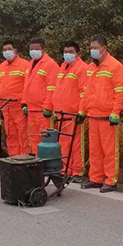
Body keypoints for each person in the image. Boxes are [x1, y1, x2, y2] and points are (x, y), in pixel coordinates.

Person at [80, 35, 123, 192]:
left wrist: (116, 112)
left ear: (104, 48)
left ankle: (111, 180)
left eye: (95, 48)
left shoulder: (115, 66)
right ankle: (95, 178)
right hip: (93, 115)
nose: (92, 51)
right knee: (95, 150)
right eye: (91, 48)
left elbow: (120, 91)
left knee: (110, 151)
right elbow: (86, 92)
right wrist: (82, 110)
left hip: (108, 117)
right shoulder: (90, 68)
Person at [44, 40, 89, 181]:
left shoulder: (82, 68)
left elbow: (84, 92)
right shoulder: (62, 67)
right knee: (64, 143)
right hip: (61, 114)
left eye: (71, 52)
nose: (67, 54)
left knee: (76, 144)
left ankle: (77, 172)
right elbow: (57, 90)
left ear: (77, 53)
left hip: (74, 114)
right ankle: (65, 170)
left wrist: (81, 111)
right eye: (65, 52)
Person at [22, 37, 59, 154]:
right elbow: (26, 86)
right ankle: (36, 161)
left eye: (36, 49)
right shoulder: (30, 64)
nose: (34, 51)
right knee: (33, 139)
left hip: (43, 112)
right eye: (31, 49)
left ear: (43, 49)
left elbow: (52, 88)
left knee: (46, 140)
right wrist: (24, 103)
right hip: (31, 110)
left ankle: (46, 162)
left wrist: (48, 107)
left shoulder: (50, 65)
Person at [0, 41, 30, 157]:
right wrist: (0, 106)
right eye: (4, 50)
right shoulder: (1, 67)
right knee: (10, 134)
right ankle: (13, 158)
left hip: (19, 107)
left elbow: (27, 87)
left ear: (15, 50)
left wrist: (25, 104)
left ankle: (24, 158)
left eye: (9, 49)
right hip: (6, 107)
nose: (7, 52)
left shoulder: (25, 65)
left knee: (23, 134)